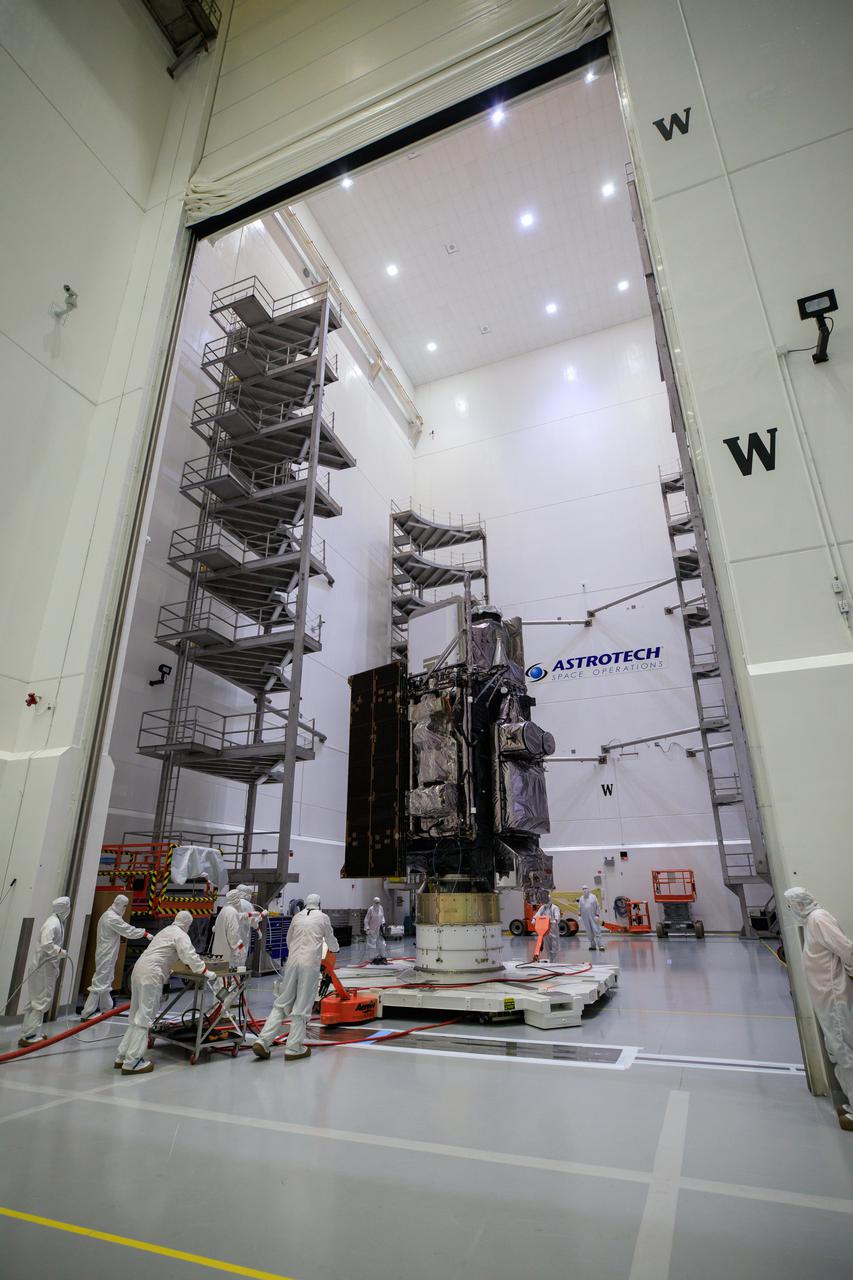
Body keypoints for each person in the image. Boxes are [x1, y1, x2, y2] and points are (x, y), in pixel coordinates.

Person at [115, 910, 219, 1075]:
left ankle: (121, 1056)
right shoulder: (180, 935)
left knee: (135, 1014)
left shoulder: (165, 931)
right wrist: (205, 971)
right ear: (187, 924)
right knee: (145, 1017)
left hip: (138, 970)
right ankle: (133, 1061)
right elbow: (189, 955)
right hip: (151, 974)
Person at [784, 887, 853, 1132]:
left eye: (790, 906)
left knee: (844, 1052)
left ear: (798, 904)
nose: (789, 911)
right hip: (826, 998)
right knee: (838, 1051)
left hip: (834, 998)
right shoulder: (813, 922)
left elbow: (846, 949)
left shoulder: (819, 919)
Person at [252, 894, 339, 1063]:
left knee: (282, 1003)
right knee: (302, 1006)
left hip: (292, 963)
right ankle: (293, 1048)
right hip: (309, 965)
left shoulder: (297, 917)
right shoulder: (322, 917)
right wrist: (335, 949)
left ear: (306, 904)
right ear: (319, 904)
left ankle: (262, 1041)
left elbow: (288, 939)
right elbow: (330, 939)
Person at [80, 896, 152, 1021]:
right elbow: (127, 930)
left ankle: (106, 1009)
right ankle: (87, 1013)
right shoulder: (112, 918)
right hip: (106, 954)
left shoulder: (108, 915)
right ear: (119, 904)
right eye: (124, 906)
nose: (125, 909)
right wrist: (144, 933)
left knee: (106, 980)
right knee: (100, 982)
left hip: (107, 953)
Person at [18, 897, 72, 1047]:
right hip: (43, 968)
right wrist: (59, 951)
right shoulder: (52, 923)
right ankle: (30, 1035)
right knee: (40, 1001)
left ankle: (28, 1032)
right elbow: (46, 944)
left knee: (36, 1001)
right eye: (68, 907)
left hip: (44, 966)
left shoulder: (56, 921)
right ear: (63, 908)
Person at [212, 888, 250, 968]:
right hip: (229, 954)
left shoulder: (224, 910)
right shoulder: (232, 912)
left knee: (220, 976)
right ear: (236, 900)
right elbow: (234, 936)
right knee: (230, 978)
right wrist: (241, 947)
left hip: (218, 952)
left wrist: (248, 915)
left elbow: (215, 928)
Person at [579, 886, 605, 952]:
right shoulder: (581, 898)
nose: (584, 890)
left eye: (585, 888)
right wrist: (579, 915)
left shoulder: (593, 897)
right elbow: (579, 907)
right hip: (585, 917)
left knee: (596, 930)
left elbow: (597, 906)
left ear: (588, 889)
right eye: (583, 889)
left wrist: (597, 915)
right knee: (589, 931)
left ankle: (600, 945)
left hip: (593, 916)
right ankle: (592, 945)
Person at [364, 896, 387, 963]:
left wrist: (383, 923)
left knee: (382, 944)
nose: (378, 904)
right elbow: (366, 920)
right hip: (372, 930)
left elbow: (382, 917)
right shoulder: (370, 909)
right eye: (376, 903)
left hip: (379, 930)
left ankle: (383, 957)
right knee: (372, 945)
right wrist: (367, 928)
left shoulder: (381, 908)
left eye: (378, 902)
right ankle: (373, 958)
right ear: (374, 902)